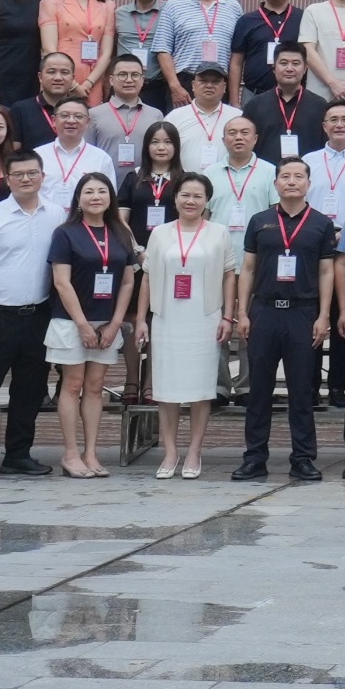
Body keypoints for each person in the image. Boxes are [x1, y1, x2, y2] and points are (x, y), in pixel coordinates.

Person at [231, 157, 339, 481]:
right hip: (264, 310)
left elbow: (326, 271)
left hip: (303, 313)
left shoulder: (321, 224)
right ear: (276, 183)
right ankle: (254, 457)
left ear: (308, 183)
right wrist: (242, 312)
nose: (291, 182)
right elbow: (247, 268)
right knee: (259, 390)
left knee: (301, 391)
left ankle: (303, 458)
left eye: (298, 176)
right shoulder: (260, 221)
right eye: (285, 177)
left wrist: (323, 315)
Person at [0, 154, 60, 478]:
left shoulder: (57, 215)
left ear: (43, 176)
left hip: (39, 314)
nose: (26, 179)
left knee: (29, 390)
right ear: (7, 178)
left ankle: (18, 454)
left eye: (32, 173)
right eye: (18, 174)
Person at [137, 169, 235, 481]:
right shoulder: (160, 233)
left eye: (198, 196)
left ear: (207, 200)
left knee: (200, 389)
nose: (191, 200)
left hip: (203, 317)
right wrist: (141, 319)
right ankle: (169, 451)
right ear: (175, 198)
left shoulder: (218, 232)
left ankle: (194, 449)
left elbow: (229, 274)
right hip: (167, 318)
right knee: (166, 389)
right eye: (185, 195)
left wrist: (227, 315)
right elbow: (148, 278)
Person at [45, 172, 133, 480]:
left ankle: (91, 452)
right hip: (71, 321)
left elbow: (127, 281)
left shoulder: (120, 232)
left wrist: (116, 323)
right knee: (72, 385)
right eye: (88, 192)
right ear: (78, 200)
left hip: (106, 322)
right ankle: (70, 453)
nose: (96, 196)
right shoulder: (66, 233)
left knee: (95, 388)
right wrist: (82, 324)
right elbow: (61, 282)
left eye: (102, 191)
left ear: (110, 197)